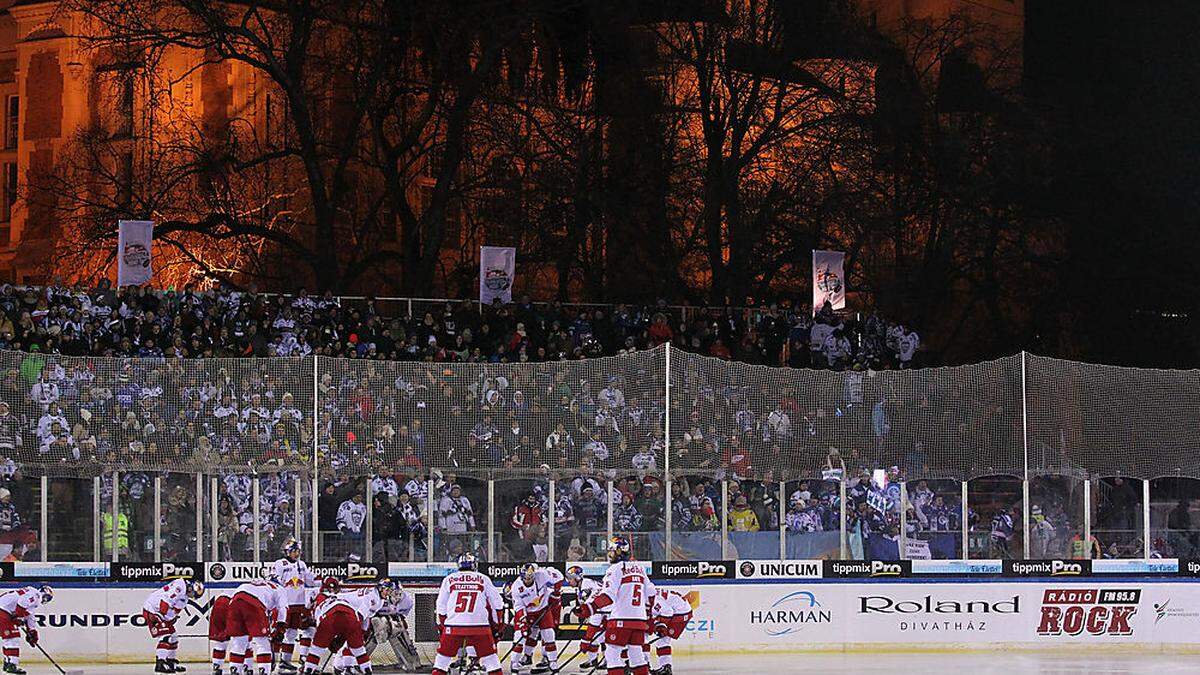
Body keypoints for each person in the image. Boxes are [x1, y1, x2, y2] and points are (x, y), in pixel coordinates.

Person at [582, 536, 655, 675]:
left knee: (612, 653)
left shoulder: (615, 569)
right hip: (639, 620)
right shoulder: (639, 568)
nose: (610, 554)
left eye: (613, 551)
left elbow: (608, 596)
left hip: (621, 619)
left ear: (621, 551)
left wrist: (590, 608)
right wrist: (649, 617)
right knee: (636, 654)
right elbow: (650, 594)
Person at [431, 553, 504, 675]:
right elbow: (497, 604)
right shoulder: (483, 578)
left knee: (441, 661)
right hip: (480, 626)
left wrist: (444, 625)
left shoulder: (449, 579)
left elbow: (441, 606)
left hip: (453, 625)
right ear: (474, 565)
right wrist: (497, 625)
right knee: (492, 661)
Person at [301, 579, 392, 675]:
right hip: (348, 612)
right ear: (381, 588)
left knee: (319, 647)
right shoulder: (373, 597)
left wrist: (361, 633)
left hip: (343, 612)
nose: (388, 593)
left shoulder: (378, 599)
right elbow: (360, 616)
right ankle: (359, 669)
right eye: (387, 590)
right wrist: (351, 635)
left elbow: (365, 616)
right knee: (357, 647)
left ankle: (312, 668)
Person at [508, 563, 563, 674]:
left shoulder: (542, 574)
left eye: (530, 578)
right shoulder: (516, 587)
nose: (528, 580)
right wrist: (523, 622)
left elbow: (559, 576)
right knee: (520, 636)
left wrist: (556, 593)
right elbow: (519, 606)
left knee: (549, 635)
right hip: (527, 613)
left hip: (543, 609)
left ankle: (553, 662)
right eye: (525, 578)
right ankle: (514, 663)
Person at [226, 578, 288, 675]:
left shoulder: (262, 584)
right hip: (254, 602)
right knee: (262, 643)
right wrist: (281, 627)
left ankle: (235, 671)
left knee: (239, 642)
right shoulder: (279, 588)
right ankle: (264, 672)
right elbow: (283, 609)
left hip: (235, 600)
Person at [271, 537, 316, 672]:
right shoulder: (280, 563)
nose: (296, 554)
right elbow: (274, 580)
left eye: (298, 551)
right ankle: (272, 660)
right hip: (284, 605)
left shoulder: (302, 565)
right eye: (294, 551)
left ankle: (285, 661)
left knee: (292, 633)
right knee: (279, 633)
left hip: (299, 604)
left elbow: (311, 580)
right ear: (287, 552)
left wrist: (324, 582)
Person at [143, 579, 205, 673]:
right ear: (190, 588)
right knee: (165, 635)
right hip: (152, 610)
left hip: (160, 612)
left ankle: (170, 662)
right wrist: (163, 619)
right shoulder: (180, 586)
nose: (192, 596)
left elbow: (174, 612)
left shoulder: (185, 598)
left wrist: (169, 619)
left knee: (174, 636)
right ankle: (160, 663)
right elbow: (165, 601)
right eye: (193, 593)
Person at [0, 585, 50, 675]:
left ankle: (8, 663)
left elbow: (30, 616)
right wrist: (18, 616)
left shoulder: (32, 594)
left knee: (11, 638)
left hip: (4, 611)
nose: (46, 600)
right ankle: (11, 665)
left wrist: (32, 632)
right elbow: (22, 603)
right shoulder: (36, 595)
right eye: (48, 598)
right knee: (12, 638)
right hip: (3, 612)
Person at [566, 565, 605, 671]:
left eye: (570, 578)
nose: (568, 581)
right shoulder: (583, 585)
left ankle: (607, 660)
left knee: (601, 637)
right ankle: (593, 660)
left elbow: (593, 607)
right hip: (599, 611)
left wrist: (586, 640)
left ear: (577, 578)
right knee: (597, 636)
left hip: (605, 612)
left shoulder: (585, 586)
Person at [649, 588, 692, 675]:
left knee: (663, 640)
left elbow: (668, 612)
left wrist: (661, 626)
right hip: (680, 610)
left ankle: (666, 667)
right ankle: (666, 667)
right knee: (663, 640)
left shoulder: (652, 599)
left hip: (681, 612)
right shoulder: (648, 594)